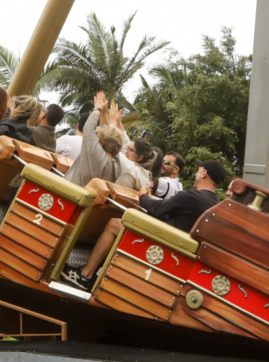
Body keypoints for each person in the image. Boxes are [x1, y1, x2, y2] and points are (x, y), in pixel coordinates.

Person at [60, 160, 224, 292]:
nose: (195, 173)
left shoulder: (192, 196)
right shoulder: (215, 204)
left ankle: (84, 275)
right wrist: (151, 198)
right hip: (178, 251)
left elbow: (157, 209)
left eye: (198, 170)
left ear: (204, 174)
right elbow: (171, 209)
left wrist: (142, 195)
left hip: (164, 248)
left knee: (114, 224)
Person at [63, 93, 123, 188]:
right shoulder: (117, 164)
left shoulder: (96, 155)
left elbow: (88, 128)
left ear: (102, 143)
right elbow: (112, 137)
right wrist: (106, 115)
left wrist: (97, 108)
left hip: (69, 193)